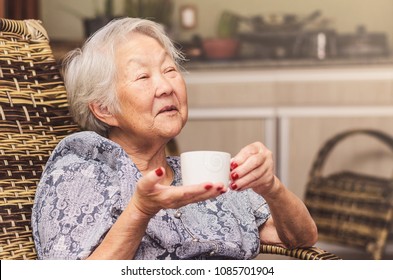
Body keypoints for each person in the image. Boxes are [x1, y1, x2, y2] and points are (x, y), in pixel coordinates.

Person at [31, 17, 317, 260]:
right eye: (143, 77)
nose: (166, 86)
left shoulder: (198, 177)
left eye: (169, 70)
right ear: (105, 109)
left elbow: (299, 239)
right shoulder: (81, 172)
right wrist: (142, 209)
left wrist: (272, 188)